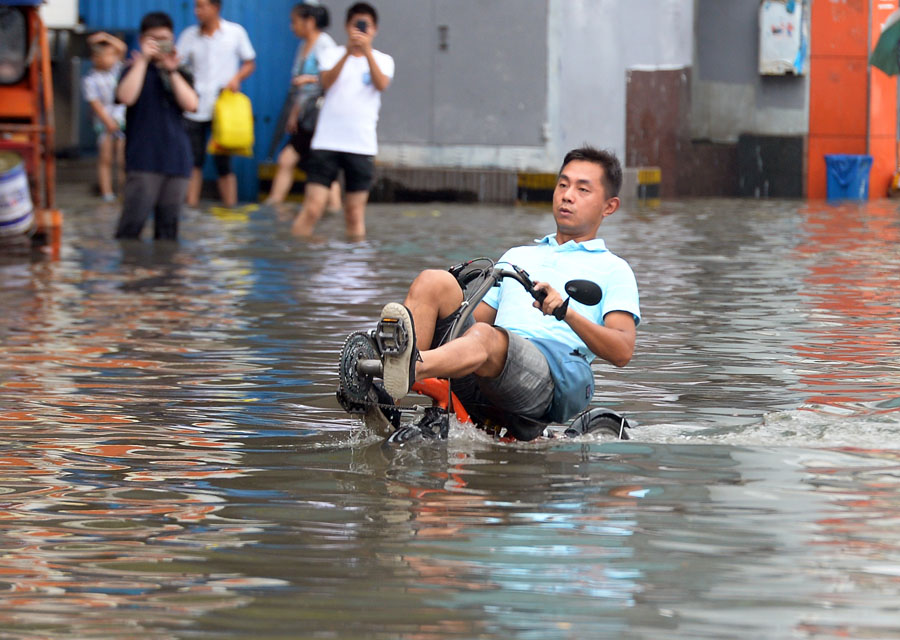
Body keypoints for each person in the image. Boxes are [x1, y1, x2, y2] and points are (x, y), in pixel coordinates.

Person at [377, 146, 641, 427]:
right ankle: (386, 400)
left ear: (609, 206)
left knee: (485, 336)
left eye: (582, 190)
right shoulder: (517, 256)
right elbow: (472, 325)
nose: (567, 195)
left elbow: (622, 351)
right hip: (485, 363)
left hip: (546, 379)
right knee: (434, 280)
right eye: (562, 184)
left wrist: (567, 312)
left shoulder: (615, 269)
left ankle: (407, 367)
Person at [292, 2, 394, 240]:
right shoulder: (331, 54)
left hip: (360, 144)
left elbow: (381, 84)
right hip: (326, 142)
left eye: (365, 26)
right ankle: (296, 255)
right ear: (347, 27)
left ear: (374, 29)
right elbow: (326, 83)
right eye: (356, 25)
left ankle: (354, 267)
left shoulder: (383, 60)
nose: (359, 30)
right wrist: (348, 52)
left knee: (354, 212)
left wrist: (366, 51)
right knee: (313, 208)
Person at [114, 12, 198, 240]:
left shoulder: (180, 72)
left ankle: (165, 275)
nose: (161, 44)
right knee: (130, 229)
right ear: (142, 40)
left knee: (169, 233)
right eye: (154, 39)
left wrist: (171, 70)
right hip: (143, 161)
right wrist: (143, 60)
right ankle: (130, 271)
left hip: (177, 162)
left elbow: (191, 104)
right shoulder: (132, 70)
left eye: (166, 39)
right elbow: (126, 97)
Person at [176, 0, 256, 208]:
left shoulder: (234, 33)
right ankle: (191, 207)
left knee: (224, 161)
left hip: (223, 107)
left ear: (216, 7)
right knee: (194, 160)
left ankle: (230, 208)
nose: (197, 11)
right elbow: (176, 64)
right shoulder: (189, 36)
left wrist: (236, 78)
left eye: (202, 6)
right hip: (195, 106)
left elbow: (250, 62)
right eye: (196, 7)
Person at [264, 2, 341, 211]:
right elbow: (298, 90)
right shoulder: (303, 46)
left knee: (301, 162)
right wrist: (293, 115)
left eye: (295, 22)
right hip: (305, 117)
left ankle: (333, 209)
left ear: (310, 22)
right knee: (291, 160)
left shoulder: (325, 45)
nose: (292, 27)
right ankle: (275, 205)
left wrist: (309, 79)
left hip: (320, 118)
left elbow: (334, 79)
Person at [81, 31, 127, 202]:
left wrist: (106, 38)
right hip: (105, 123)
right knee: (105, 158)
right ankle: (106, 192)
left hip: (122, 120)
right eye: (105, 55)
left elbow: (122, 48)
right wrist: (108, 122)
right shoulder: (91, 79)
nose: (109, 59)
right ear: (95, 58)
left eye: (111, 55)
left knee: (123, 159)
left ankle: (124, 191)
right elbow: (95, 103)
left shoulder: (118, 70)